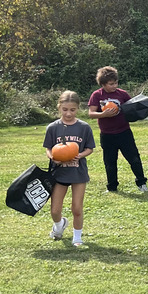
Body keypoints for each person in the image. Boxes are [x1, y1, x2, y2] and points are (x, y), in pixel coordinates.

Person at [43, 90, 95, 248]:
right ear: (59, 107)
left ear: (78, 108)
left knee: (77, 208)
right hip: (59, 174)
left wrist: (79, 155)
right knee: (55, 210)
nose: (68, 113)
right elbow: (48, 149)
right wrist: (53, 157)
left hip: (78, 173)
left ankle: (77, 237)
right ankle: (59, 225)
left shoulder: (84, 127)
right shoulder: (53, 127)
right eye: (65, 109)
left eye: (72, 110)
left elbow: (90, 148)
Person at [87, 66, 148, 193]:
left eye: (116, 82)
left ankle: (141, 183)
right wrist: (103, 115)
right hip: (107, 135)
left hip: (124, 132)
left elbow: (134, 108)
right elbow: (91, 113)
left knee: (134, 159)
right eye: (111, 84)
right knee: (110, 162)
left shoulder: (122, 94)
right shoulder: (97, 95)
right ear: (103, 84)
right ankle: (112, 187)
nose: (114, 86)